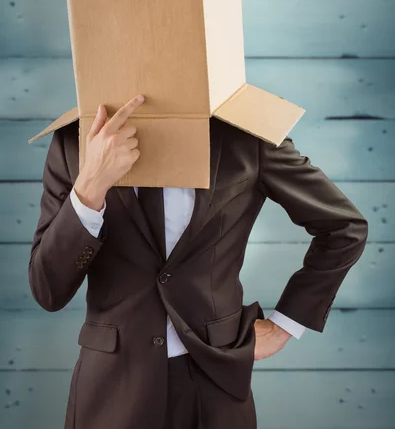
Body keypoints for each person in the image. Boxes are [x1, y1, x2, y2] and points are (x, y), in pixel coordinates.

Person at [28, 94, 368, 429]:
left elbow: (343, 228)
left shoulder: (248, 136)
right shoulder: (76, 141)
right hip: (111, 391)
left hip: (215, 384)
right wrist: (90, 185)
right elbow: (48, 290)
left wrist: (285, 326)